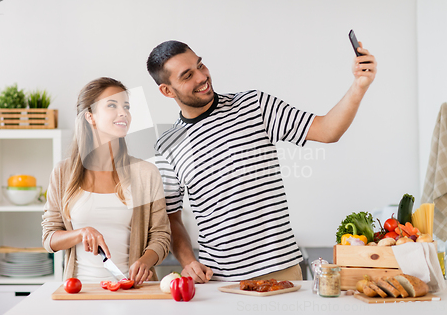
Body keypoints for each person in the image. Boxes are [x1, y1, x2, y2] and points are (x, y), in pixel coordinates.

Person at [147, 40, 376, 283]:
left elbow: (328, 131)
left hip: (281, 272)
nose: (202, 76)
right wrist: (188, 261)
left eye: (200, 65)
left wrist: (359, 86)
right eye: (188, 75)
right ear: (167, 90)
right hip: (220, 282)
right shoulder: (167, 146)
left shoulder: (253, 105)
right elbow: (172, 217)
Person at [42, 77, 171, 285]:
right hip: (80, 291)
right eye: (112, 105)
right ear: (90, 116)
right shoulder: (62, 173)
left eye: (126, 106)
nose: (124, 113)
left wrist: (145, 262)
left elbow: (161, 236)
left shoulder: (146, 173)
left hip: (134, 290)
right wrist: (80, 233)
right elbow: (49, 239)